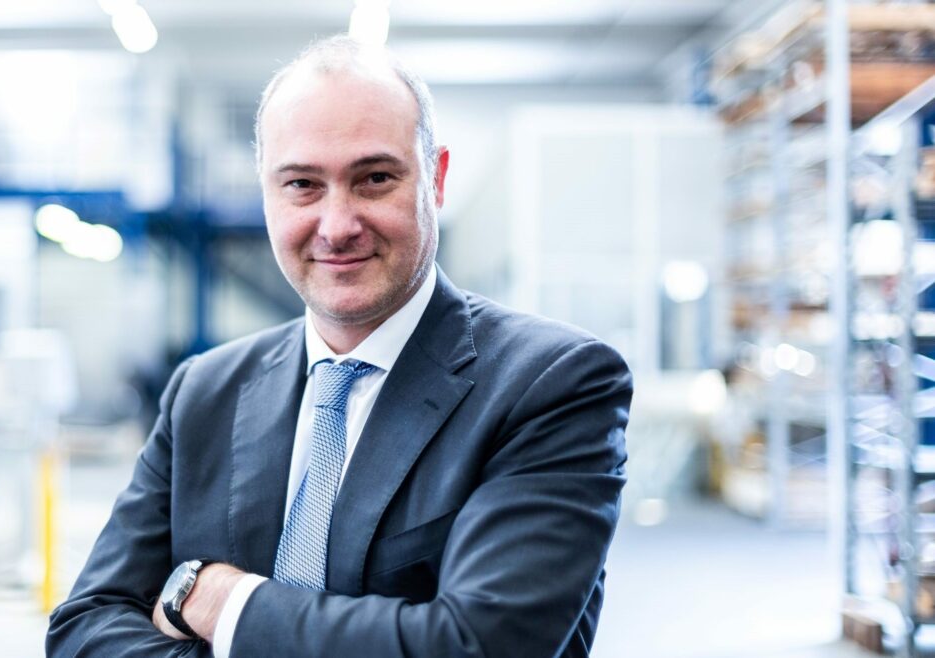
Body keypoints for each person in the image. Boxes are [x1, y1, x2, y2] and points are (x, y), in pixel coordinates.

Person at [47, 34, 631, 658]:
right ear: (267, 195)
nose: (337, 226)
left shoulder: (551, 383)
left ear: (435, 180)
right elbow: (84, 628)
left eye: (374, 179)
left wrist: (222, 602)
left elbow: (475, 645)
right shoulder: (203, 392)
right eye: (302, 184)